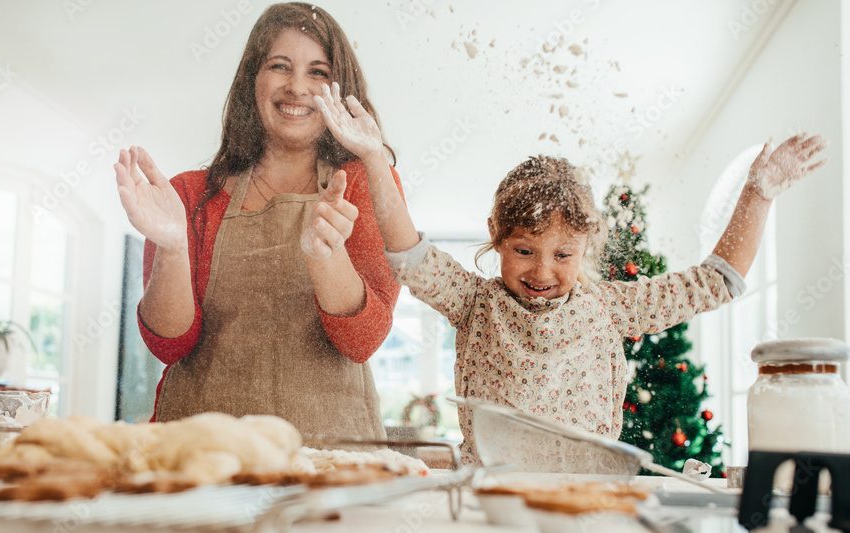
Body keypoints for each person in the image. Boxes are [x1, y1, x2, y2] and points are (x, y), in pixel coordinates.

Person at [313, 81, 828, 463]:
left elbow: (716, 281)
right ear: (496, 233)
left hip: (587, 497)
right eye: (523, 250)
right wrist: (375, 158)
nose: (542, 270)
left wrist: (757, 192)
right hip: (489, 498)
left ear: (586, 246)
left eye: (563, 255)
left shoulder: (608, 308)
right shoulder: (475, 303)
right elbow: (407, 250)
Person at [113, 4, 402, 438]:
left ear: (340, 89)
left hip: (329, 463)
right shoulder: (188, 195)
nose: (297, 87)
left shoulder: (362, 182)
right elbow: (169, 344)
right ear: (253, 80)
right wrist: (173, 246)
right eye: (279, 66)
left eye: (318, 72)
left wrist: (327, 257)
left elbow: (362, 341)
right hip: (202, 457)